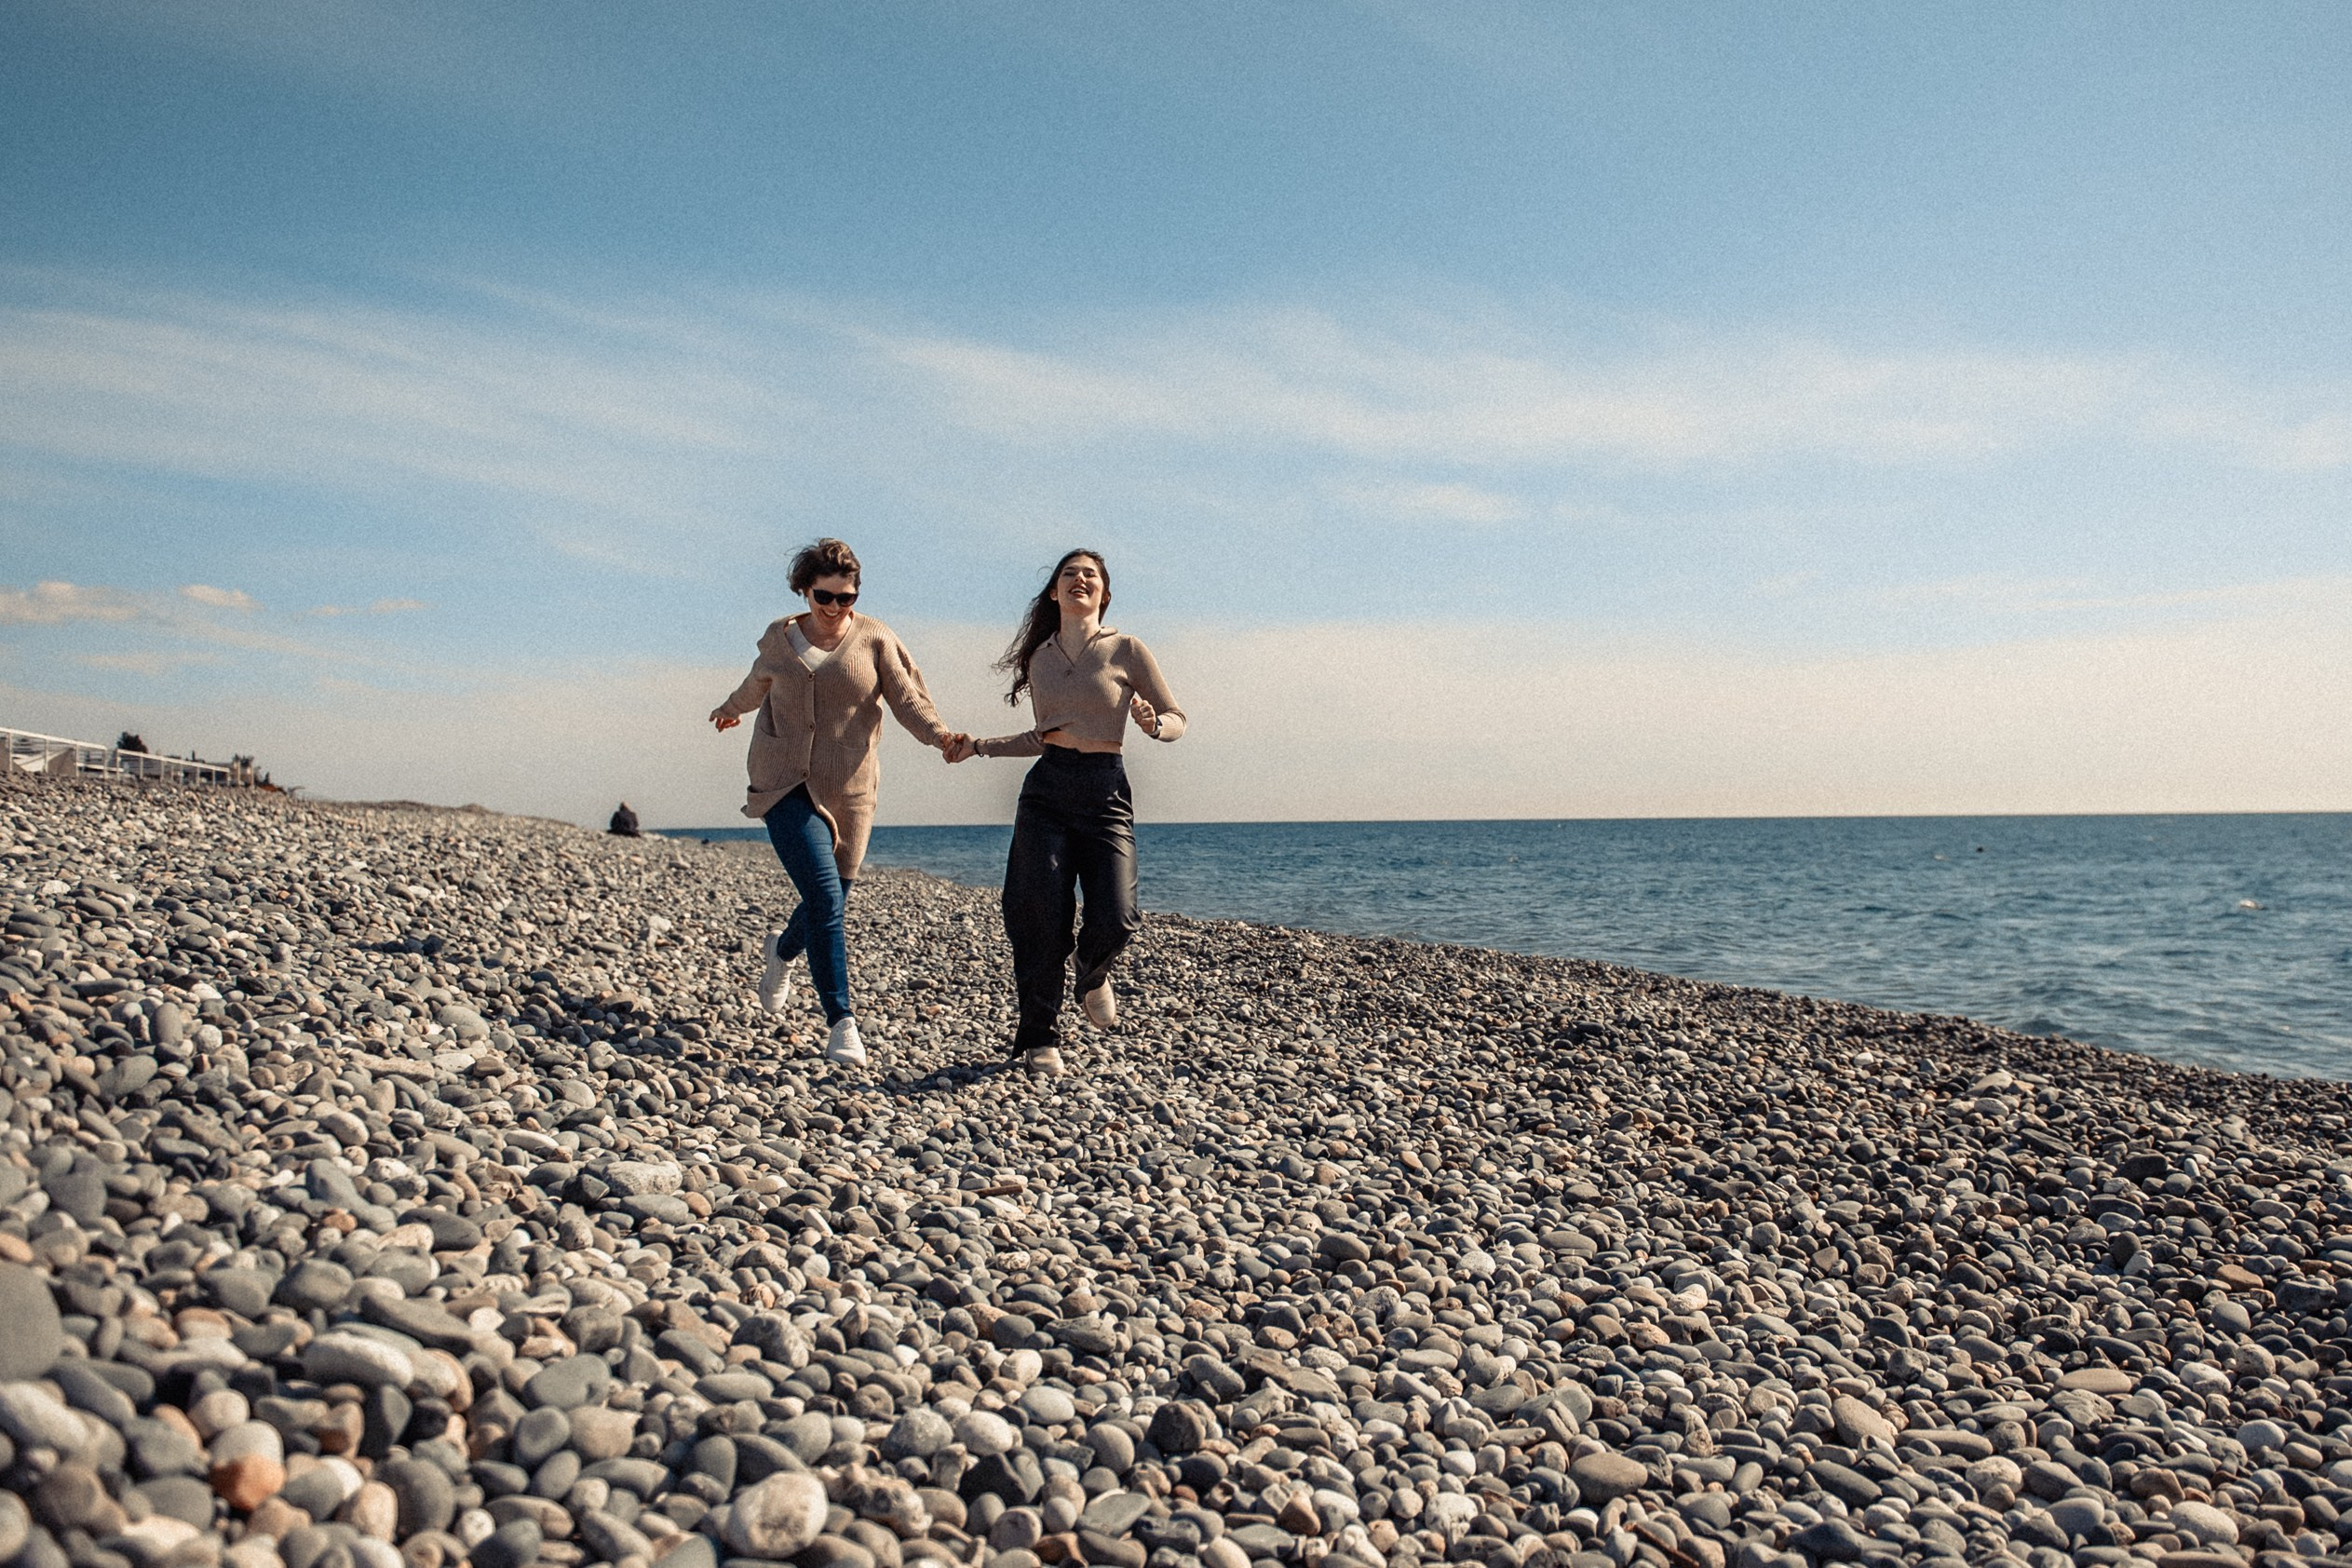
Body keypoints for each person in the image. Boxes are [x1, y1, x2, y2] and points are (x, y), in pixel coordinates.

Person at [711, 537, 966, 1066]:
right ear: (804, 591)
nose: (834, 608)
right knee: (827, 900)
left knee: (832, 901)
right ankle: (841, 1023)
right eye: (824, 596)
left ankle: (781, 952)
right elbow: (756, 683)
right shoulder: (779, 638)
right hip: (783, 779)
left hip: (850, 788)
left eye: (845, 598)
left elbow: (907, 698)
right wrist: (731, 708)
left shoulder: (875, 639)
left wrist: (940, 735)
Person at [946, 548, 1183, 1075]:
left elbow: (1176, 718)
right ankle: (1039, 1037)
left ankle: (1091, 970)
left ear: (1105, 593)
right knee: (1037, 917)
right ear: (1054, 592)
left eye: (1091, 575)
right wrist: (977, 746)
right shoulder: (1042, 658)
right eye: (1069, 574)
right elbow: (1041, 736)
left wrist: (1153, 725)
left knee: (1118, 916)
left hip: (1106, 792)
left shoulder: (1127, 648)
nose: (1080, 580)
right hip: (1048, 792)